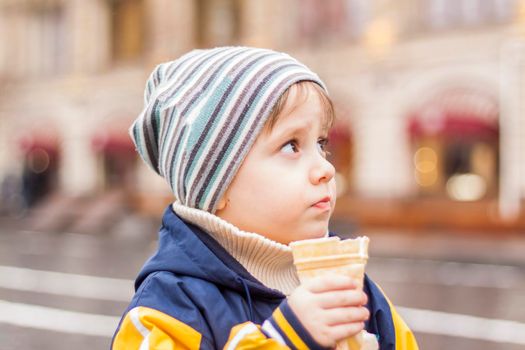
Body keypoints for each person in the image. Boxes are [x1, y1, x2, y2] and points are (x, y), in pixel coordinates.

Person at [112, 46, 418, 349]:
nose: (325, 167)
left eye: (321, 143)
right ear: (216, 186)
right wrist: (286, 340)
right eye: (291, 146)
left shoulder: (352, 288)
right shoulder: (169, 310)